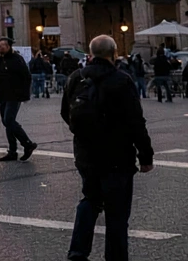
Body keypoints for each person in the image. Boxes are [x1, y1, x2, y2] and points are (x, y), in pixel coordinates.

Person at [62, 35, 154, 261]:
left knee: (89, 199)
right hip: (117, 155)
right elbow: (135, 121)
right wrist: (145, 156)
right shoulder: (121, 80)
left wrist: (83, 135)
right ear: (114, 53)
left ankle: (77, 252)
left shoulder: (76, 77)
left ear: (90, 54)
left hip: (85, 154)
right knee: (117, 213)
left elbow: (66, 112)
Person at [0, 37, 37, 162]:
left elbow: (26, 77)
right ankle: (12, 151)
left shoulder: (17, 59)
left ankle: (27, 143)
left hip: (14, 96)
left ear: (8, 46)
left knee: (8, 120)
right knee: (7, 122)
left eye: (1, 46)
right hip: (3, 96)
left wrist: (24, 94)